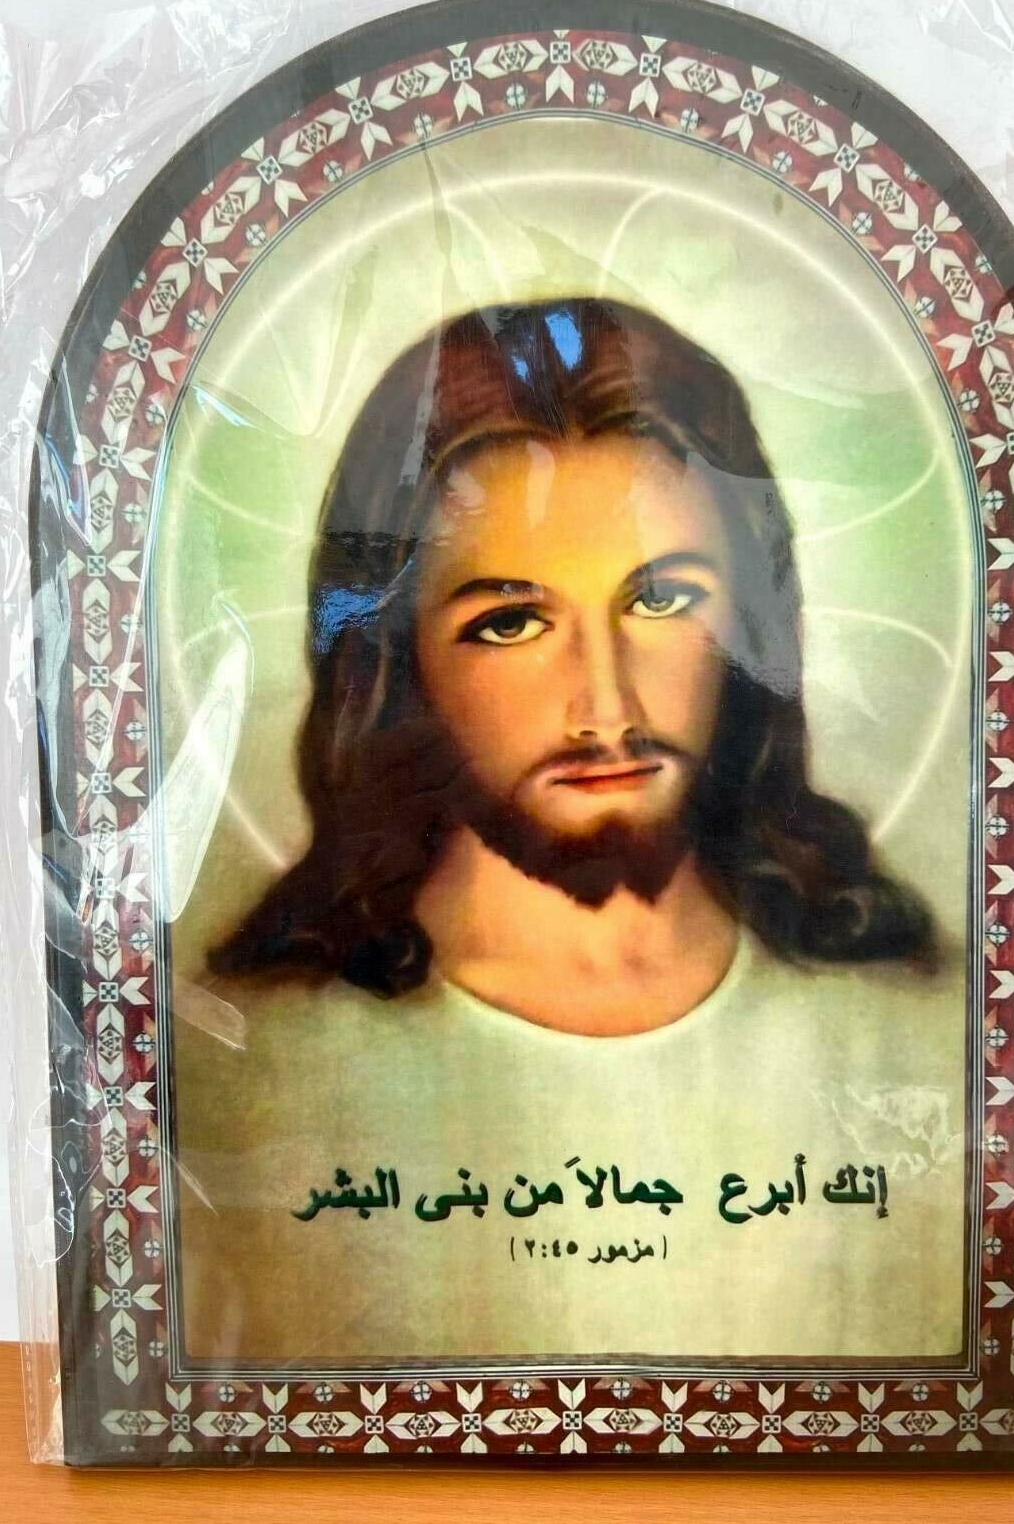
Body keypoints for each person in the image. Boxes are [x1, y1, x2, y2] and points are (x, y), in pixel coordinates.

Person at [175, 298, 967, 1367]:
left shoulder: (919, 1039)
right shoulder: (238, 1070)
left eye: (662, 599)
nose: (606, 706)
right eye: (511, 621)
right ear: (396, 661)